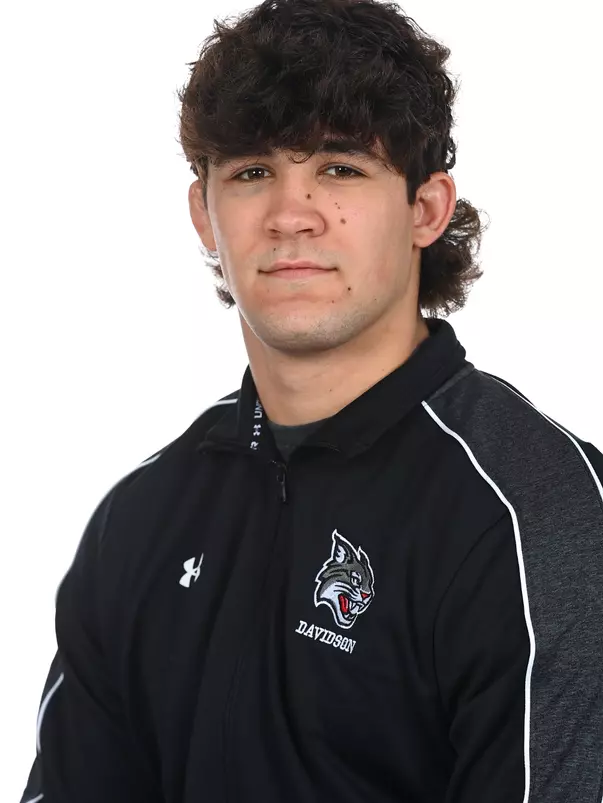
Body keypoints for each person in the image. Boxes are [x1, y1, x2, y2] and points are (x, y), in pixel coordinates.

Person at [19, 0, 603, 800]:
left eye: (340, 167)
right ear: (205, 213)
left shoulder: (536, 515)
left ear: (424, 210)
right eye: (253, 172)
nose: (291, 215)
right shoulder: (140, 518)